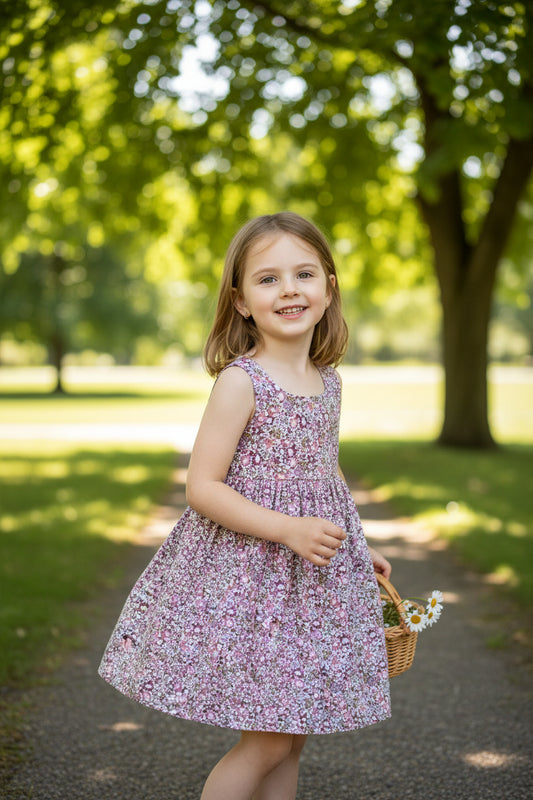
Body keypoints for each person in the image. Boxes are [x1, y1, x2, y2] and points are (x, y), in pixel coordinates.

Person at [98, 211, 392, 800]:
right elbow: (202, 487)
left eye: (304, 273)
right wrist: (286, 528)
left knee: (293, 734)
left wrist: (358, 545)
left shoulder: (328, 380)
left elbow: (322, 467)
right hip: (251, 579)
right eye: (268, 279)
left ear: (329, 286)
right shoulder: (242, 383)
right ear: (240, 301)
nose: (289, 289)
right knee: (265, 742)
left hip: (308, 579)